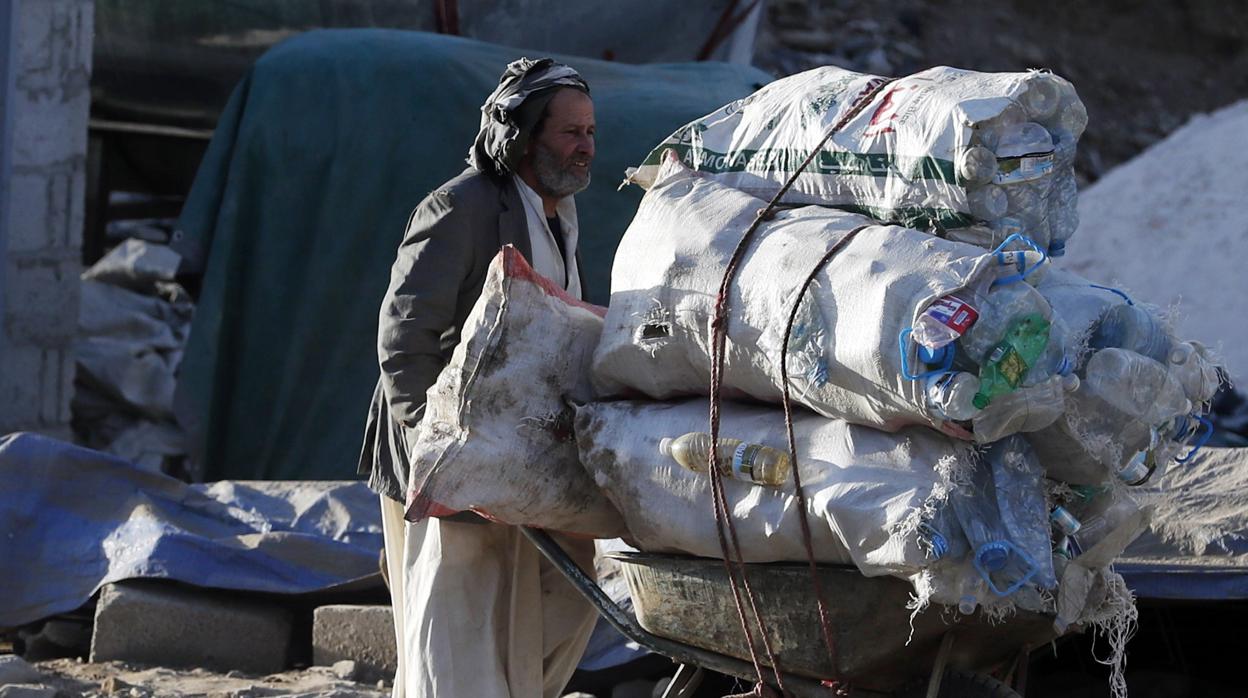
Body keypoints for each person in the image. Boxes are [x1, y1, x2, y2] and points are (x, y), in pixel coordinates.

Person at [357, 58, 599, 698]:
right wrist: (433, 444)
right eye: (570, 132)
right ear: (523, 136)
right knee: (457, 597)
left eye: (590, 133)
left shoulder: (560, 220)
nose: (585, 148)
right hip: (447, 448)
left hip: (521, 449)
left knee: (567, 579)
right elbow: (405, 334)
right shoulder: (458, 208)